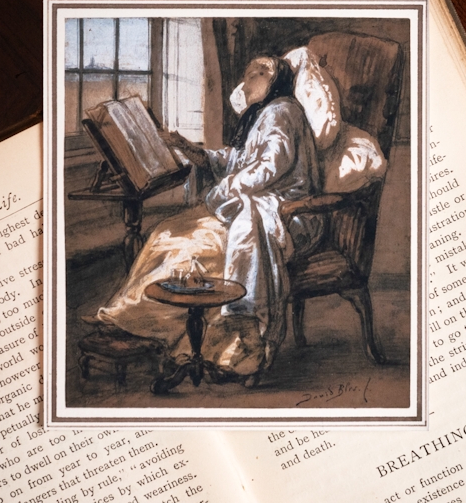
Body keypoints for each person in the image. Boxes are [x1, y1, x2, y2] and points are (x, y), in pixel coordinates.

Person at [92, 54, 322, 384]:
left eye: (262, 71)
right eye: (248, 71)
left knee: (189, 244)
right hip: (249, 207)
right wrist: (188, 147)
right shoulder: (264, 114)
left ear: (279, 81)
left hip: (284, 216)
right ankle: (134, 319)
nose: (252, 76)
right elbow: (239, 159)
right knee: (167, 231)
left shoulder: (283, 111)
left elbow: (272, 165)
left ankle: (216, 346)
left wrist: (226, 188)